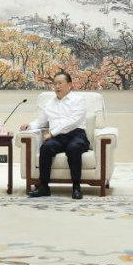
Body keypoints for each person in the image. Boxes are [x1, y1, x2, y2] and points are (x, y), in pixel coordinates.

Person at [22, 72, 90, 200]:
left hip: (77, 135)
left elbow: (73, 121)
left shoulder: (78, 100)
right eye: (55, 84)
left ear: (69, 84)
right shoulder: (49, 104)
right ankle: (44, 187)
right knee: (46, 147)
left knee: (73, 148)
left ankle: (76, 187)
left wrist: (52, 133)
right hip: (58, 138)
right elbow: (40, 122)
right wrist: (29, 126)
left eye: (60, 83)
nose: (57, 86)